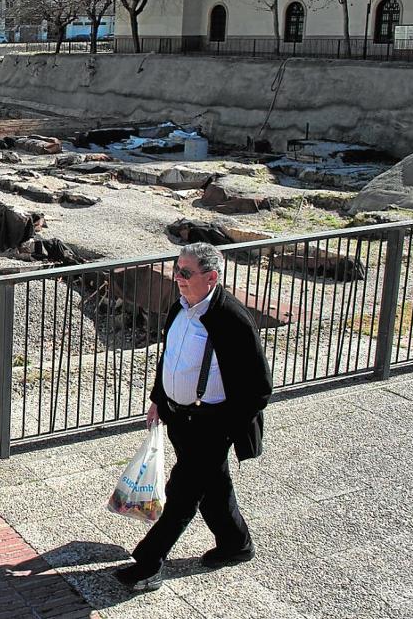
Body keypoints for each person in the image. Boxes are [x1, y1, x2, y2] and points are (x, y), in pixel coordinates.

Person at [113, 242, 272, 592]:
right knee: (213, 487)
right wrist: (159, 399)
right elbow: (169, 358)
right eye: (177, 270)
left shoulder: (232, 318)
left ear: (211, 276)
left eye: (185, 273)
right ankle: (236, 544)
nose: (178, 278)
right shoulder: (180, 309)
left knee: (182, 493)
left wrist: (226, 430)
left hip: (211, 424)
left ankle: (148, 563)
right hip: (177, 418)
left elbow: (259, 387)